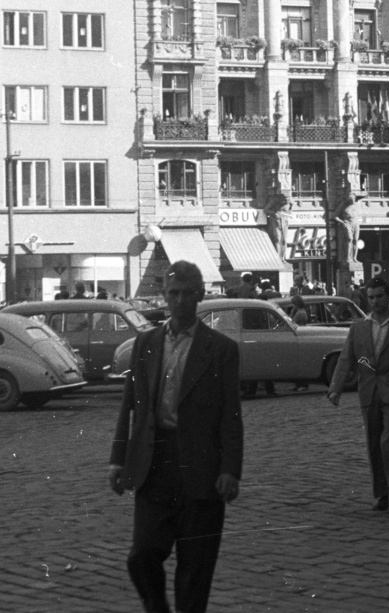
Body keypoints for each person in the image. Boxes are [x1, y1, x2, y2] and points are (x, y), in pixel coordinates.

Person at [110, 260, 243, 613]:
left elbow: (231, 415)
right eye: (173, 293)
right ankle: (156, 606)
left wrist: (230, 469)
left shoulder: (221, 349)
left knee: (195, 569)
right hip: (154, 464)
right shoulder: (146, 343)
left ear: (199, 296)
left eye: (188, 294)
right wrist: (117, 459)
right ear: (164, 296)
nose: (180, 301)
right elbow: (130, 405)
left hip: (201, 468)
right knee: (142, 554)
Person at [327, 278, 389, 511]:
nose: (375, 301)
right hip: (368, 392)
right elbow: (347, 358)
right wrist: (335, 388)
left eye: (379, 296)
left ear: (388, 296)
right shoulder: (359, 327)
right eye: (371, 297)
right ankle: (381, 494)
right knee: (373, 442)